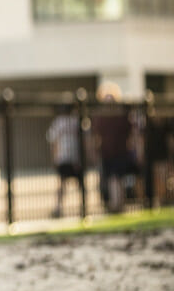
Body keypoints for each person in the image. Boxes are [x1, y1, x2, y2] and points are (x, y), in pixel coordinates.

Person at [91, 82, 133, 213]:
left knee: (117, 178)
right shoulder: (101, 116)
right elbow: (96, 135)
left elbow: (130, 133)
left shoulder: (122, 115)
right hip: (107, 151)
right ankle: (117, 203)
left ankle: (118, 204)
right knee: (113, 178)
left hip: (119, 150)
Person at [46, 103, 83, 218]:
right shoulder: (64, 122)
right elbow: (54, 142)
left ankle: (81, 207)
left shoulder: (74, 122)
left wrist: (54, 158)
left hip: (70, 157)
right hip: (68, 157)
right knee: (64, 184)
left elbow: (53, 142)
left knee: (68, 184)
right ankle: (59, 208)